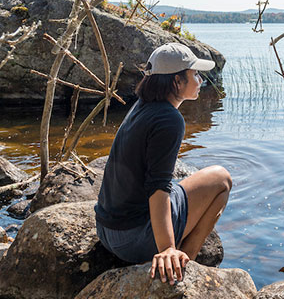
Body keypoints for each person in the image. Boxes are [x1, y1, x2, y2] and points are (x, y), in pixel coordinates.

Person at [95, 43, 232, 285]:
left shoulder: (142, 107)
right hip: (131, 240)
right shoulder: (169, 119)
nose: (200, 80)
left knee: (180, 183)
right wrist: (167, 247)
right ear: (176, 82)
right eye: (195, 74)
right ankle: (182, 262)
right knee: (221, 179)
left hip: (107, 232)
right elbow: (158, 188)